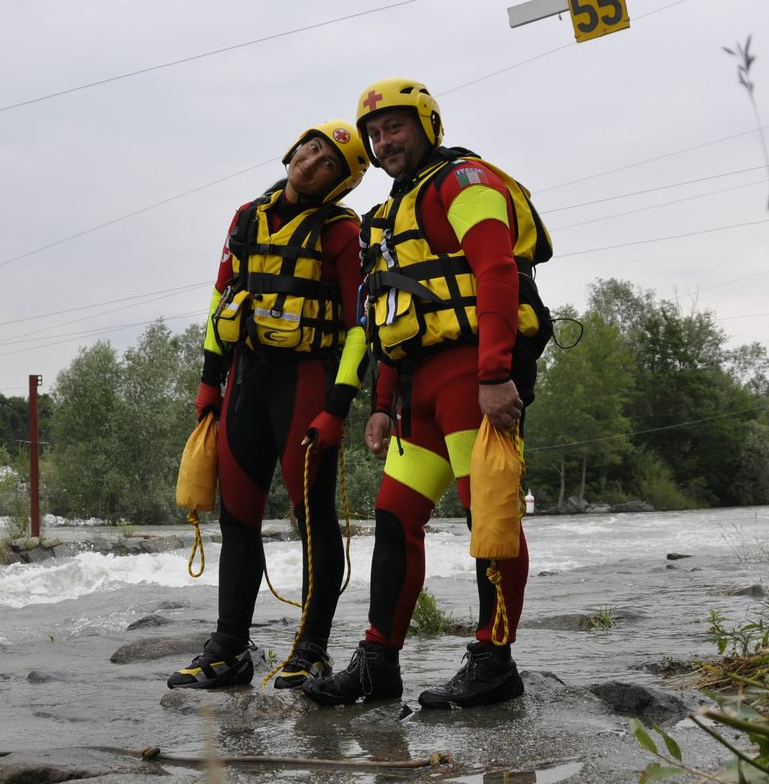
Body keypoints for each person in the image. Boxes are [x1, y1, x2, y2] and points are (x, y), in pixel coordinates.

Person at [303, 78, 549, 710]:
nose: (385, 141)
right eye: (375, 133)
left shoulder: (462, 182)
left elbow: (494, 270)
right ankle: (378, 662)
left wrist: (495, 374)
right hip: (419, 391)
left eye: (396, 127)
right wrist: (383, 401)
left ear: (427, 125)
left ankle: (495, 661)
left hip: (473, 376)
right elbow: (388, 311)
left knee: (488, 517)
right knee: (393, 517)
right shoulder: (389, 216)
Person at [167, 120, 371, 691]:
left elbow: (360, 327)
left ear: (341, 183)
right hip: (246, 380)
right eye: (310, 149)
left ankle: (311, 649)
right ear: (293, 150)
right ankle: (229, 649)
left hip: (308, 383)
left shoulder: (341, 232)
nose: (311, 162)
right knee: (237, 518)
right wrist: (210, 382)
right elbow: (220, 300)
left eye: (329, 161)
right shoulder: (245, 218)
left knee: (314, 519)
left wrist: (338, 404)